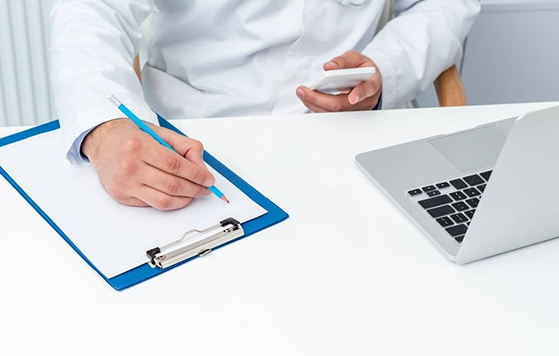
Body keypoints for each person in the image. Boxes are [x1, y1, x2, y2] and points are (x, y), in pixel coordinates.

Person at [50, 0, 480, 210]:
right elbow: (91, 8)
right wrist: (104, 128)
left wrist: (384, 67)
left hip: (349, 136)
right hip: (196, 135)